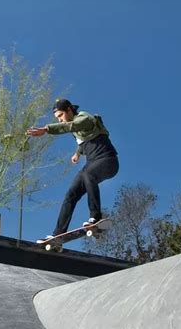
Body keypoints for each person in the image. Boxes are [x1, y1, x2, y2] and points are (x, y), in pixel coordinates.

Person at [26, 99, 119, 243]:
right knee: (71, 194)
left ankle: (96, 217)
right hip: (92, 162)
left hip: (108, 161)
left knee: (89, 175)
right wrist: (78, 153)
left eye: (61, 115)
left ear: (69, 110)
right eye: (57, 118)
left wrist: (46, 129)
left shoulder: (85, 118)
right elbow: (84, 139)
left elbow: (72, 126)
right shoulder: (78, 130)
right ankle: (58, 233)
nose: (60, 120)